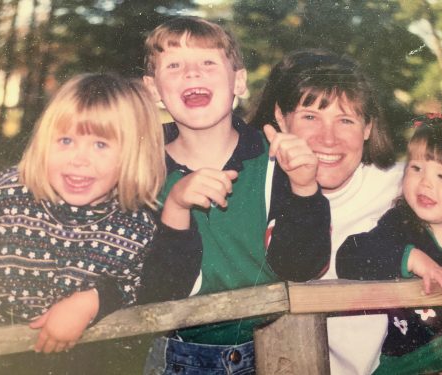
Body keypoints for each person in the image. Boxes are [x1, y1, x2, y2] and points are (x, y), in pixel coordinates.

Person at [141, 16, 331, 374]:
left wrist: (304, 188)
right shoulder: (142, 171)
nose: (192, 74)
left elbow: (303, 266)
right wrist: (176, 207)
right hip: (178, 353)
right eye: (175, 65)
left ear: (239, 81)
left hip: (275, 346)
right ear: (152, 89)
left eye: (208, 62)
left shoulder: (273, 156)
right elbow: (155, 292)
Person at [0, 73, 202, 362]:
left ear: (133, 154)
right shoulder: (5, 196)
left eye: (100, 145)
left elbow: (150, 289)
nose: (79, 159)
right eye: (66, 140)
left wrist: (93, 300)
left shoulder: (136, 224)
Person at [250, 49, 404, 375]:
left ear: (367, 128)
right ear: (281, 117)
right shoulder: (250, 192)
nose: (328, 139)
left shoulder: (403, 188)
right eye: (310, 117)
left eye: (345, 120)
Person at [336, 118, 442, 375]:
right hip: (417, 357)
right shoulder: (400, 226)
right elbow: (349, 256)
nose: (426, 183)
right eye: (416, 168)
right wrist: (411, 258)